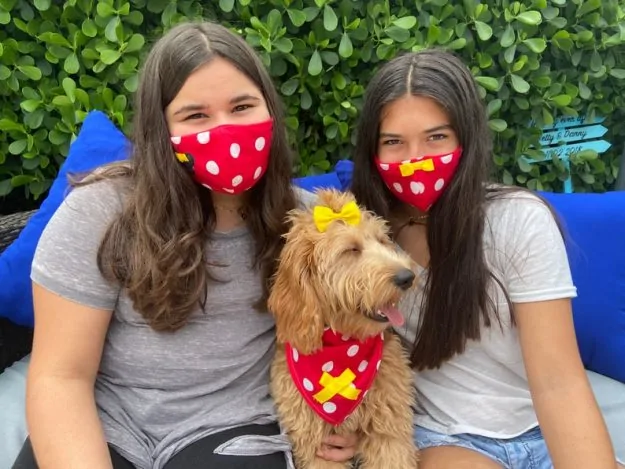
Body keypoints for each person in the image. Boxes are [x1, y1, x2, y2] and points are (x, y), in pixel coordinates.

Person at [13, 21, 356, 469]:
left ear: (269, 111)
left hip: (232, 429)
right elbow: (60, 377)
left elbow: (362, 327)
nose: (226, 129)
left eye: (242, 106)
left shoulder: (311, 223)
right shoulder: (97, 214)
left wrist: (348, 417)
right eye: (196, 115)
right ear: (162, 129)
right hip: (106, 421)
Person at [350, 49, 623, 469]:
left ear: (466, 137)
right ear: (372, 149)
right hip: (444, 439)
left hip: (541, 429)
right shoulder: (365, 238)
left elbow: (559, 383)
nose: (414, 159)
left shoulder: (516, 219)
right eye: (393, 142)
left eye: (436, 137)